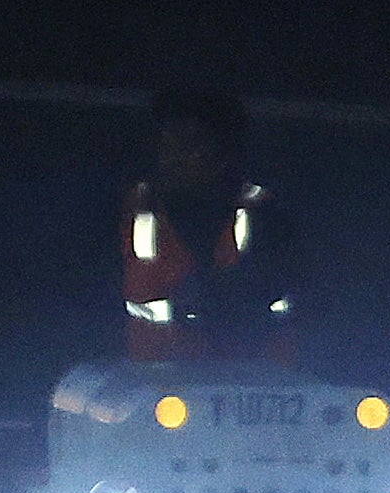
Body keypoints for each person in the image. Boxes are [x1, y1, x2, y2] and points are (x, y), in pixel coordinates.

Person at [117, 85, 290, 352]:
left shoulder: (264, 215)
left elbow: (289, 296)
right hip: (149, 383)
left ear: (224, 154)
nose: (173, 157)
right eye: (167, 144)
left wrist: (216, 299)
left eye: (189, 145)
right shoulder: (132, 210)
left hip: (256, 382)